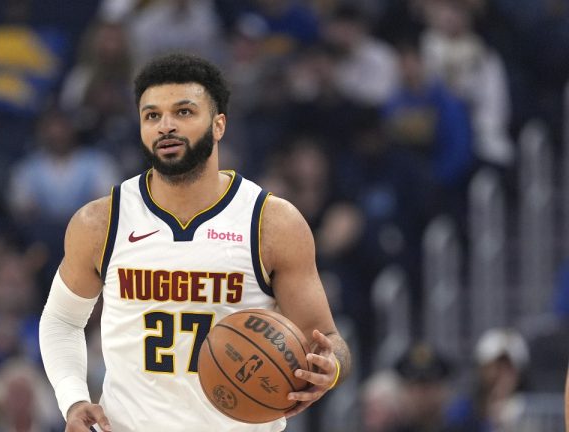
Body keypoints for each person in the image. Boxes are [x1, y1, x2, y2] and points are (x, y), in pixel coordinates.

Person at [39, 53, 351, 432]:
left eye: (183, 112)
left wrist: (329, 368)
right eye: (152, 115)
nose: (165, 126)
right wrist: (73, 399)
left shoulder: (272, 222)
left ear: (219, 125)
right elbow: (61, 321)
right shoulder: (101, 221)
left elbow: (328, 339)